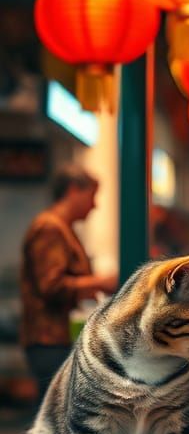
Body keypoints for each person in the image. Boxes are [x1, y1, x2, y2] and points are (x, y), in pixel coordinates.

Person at [20, 163, 117, 400]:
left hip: (59, 339)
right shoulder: (50, 228)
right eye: (92, 196)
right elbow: (50, 285)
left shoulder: (62, 228)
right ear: (73, 190)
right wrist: (99, 283)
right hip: (50, 340)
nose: (94, 205)